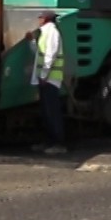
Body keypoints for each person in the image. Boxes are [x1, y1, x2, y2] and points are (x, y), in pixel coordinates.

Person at [31, 10, 67, 155]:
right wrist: (32, 41)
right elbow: (39, 53)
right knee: (46, 112)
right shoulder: (45, 33)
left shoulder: (52, 33)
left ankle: (58, 144)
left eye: (40, 17)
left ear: (45, 19)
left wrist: (44, 75)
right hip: (45, 79)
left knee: (52, 112)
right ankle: (48, 142)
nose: (38, 19)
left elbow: (50, 55)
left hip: (50, 79)